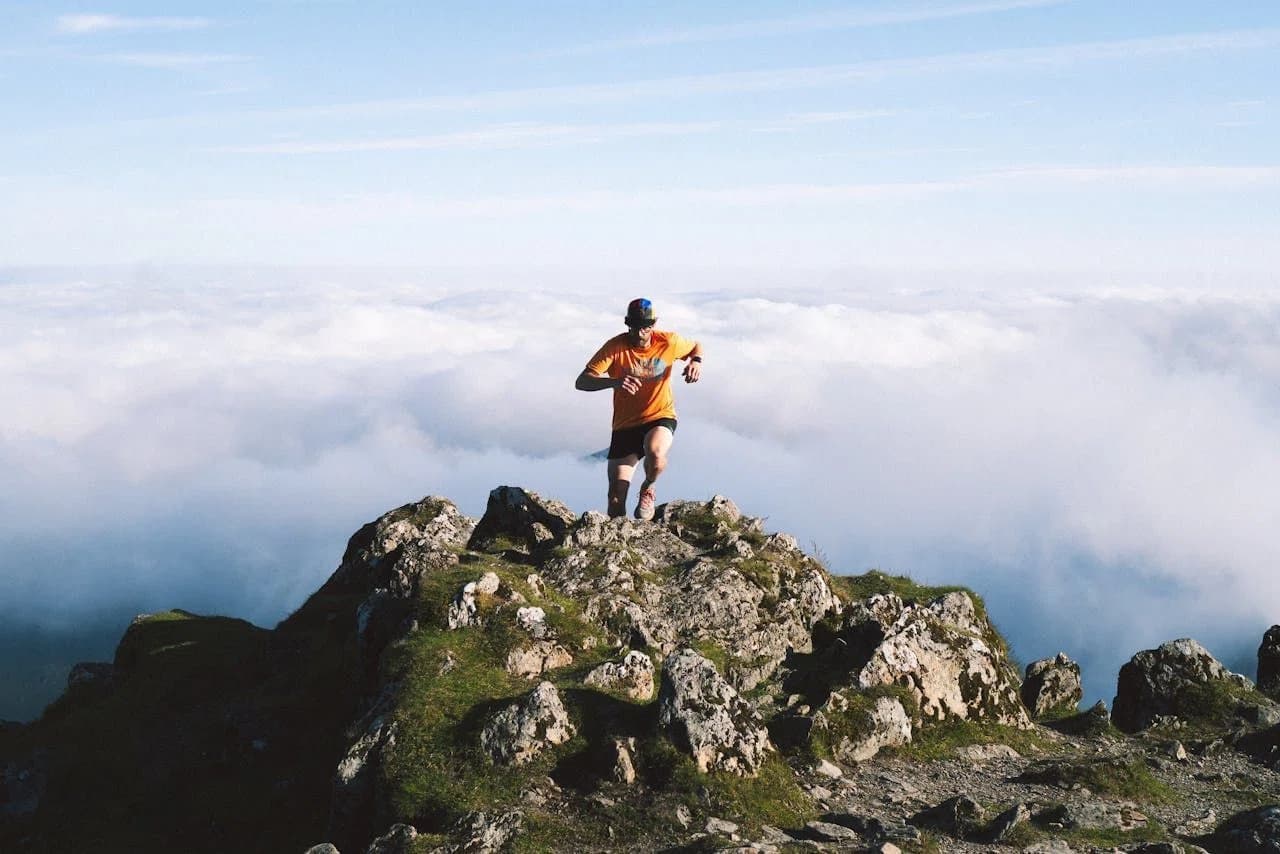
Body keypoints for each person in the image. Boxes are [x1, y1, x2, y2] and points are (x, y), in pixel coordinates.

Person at [575, 298, 703, 520]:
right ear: (627, 324)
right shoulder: (615, 347)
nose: (640, 331)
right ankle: (621, 546)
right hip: (625, 425)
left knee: (655, 453)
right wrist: (614, 382)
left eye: (645, 325)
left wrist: (696, 362)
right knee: (615, 498)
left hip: (660, 415)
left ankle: (648, 488)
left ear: (653, 325)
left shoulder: (668, 342)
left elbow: (694, 346)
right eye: (635, 325)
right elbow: (583, 381)